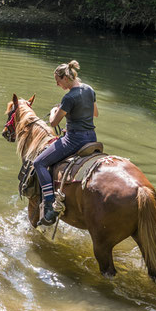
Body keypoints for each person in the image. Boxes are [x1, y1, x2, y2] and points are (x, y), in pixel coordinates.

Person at [33, 59, 98, 226]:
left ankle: (49, 204)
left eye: (58, 81)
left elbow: (53, 123)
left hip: (74, 140)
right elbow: (95, 113)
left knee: (39, 162)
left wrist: (55, 110)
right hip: (91, 138)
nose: (57, 84)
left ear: (66, 78)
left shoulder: (69, 97)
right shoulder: (89, 90)